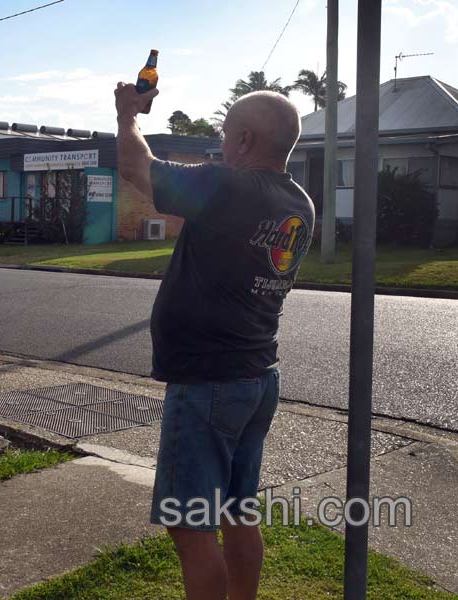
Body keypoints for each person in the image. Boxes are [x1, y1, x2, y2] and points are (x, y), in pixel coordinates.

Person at [115, 84, 314, 600]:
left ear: (245, 139)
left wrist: (127, 117)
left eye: (225, 135)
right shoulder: (299, 202)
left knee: (191, 525)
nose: (221, 145)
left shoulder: (229, 186)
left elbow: (137, 169)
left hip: (208, 383)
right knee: (238, 509)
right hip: (257, 376)